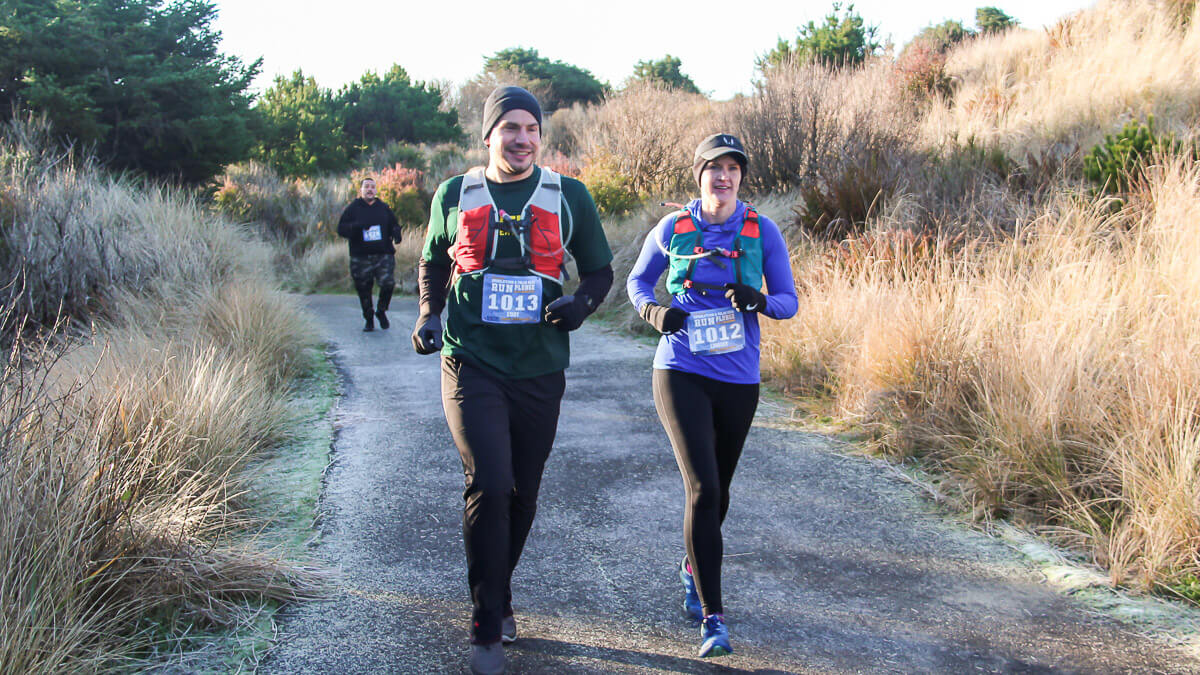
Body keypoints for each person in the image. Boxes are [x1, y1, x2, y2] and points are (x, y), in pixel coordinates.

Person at [410, 85, 614, 675]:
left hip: (539, 367)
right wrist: (429, 313)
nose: (522, 139)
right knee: (491, 482)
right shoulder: (455, 193)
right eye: (510, 128)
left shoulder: (568, 195)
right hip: (470, 361)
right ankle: (485, 622)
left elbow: (599, 270)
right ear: (488, 135)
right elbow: (432, 259)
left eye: (531, 128)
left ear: (540, 136)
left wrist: (581, 305)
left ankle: (497, 592)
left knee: (524, 490)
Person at [626, 133, 798, 658]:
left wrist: (760, 300)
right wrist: (656, 313)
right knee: (702, 488)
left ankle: (689, 566)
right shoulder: (673, 227)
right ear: (698, 174)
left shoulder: (762, 231)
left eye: (732, 168)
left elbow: (790, 303)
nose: (722, 177)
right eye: (713, 168)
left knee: (718, 492)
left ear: (741, 177)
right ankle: (713, 619)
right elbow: (638, 282)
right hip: (680, 367)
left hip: (739, 379)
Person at [337, 177, 402, 332]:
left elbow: (394, 224)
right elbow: (341, 229)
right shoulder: (353, 208)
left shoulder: (383, 207)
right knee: (363, 289)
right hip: (360, 256)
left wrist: (396, 233)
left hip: (383, 254)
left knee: (388, 284)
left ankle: (381, 310)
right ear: (361, 190)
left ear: (376, 190)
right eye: (367, 187)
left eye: (373, 187)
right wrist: (357, 227)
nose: (370, 189)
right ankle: (369, 318)